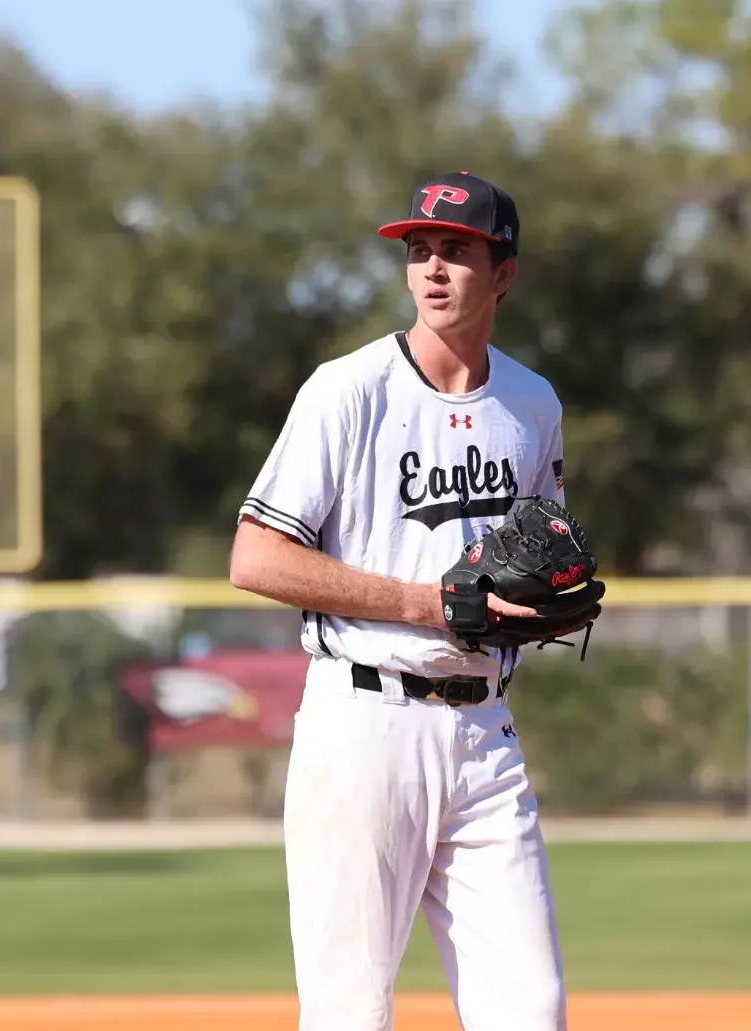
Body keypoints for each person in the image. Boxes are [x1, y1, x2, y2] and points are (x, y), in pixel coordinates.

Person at [229, 171, 572, 1031]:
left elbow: (539, 545)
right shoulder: (348, 391)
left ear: (503, 274)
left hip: (484, 731)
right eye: (418, 251)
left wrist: (549, 596)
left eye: (456, 252)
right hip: (363, 724)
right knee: (352, 1012)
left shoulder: (530, 404)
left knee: (530, 1010)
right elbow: (255, 555)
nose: (431, 268)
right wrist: (423, 603)